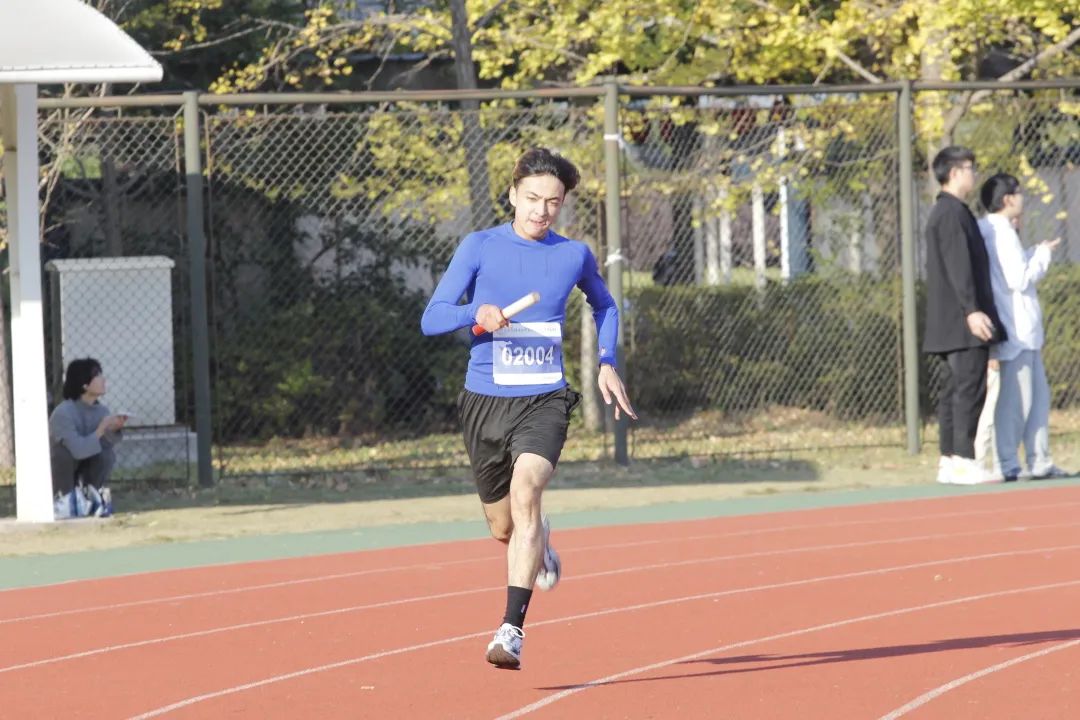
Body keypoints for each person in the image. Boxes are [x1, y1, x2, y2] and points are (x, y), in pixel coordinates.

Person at [421, 147, 637, 670]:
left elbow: (605, 305)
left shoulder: (573, 255)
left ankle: (510, 631)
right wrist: (477, 313)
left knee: (528, 491)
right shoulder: (479, 246)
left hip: (544, 399)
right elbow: (432, 318)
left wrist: (607, 361)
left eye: (553, 202)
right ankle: (540, 545)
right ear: (513, 194)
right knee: (505, 528)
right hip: (485, 401)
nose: (542, 210)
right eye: (533, 198)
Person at [977, 173, 1069, 481]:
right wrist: (1042, 256)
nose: (1022, 198)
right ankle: (1006, 462)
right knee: (1016, 401)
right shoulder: (1000, 232)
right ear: (1007, 199)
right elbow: (1018, 279)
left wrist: (1034, 252)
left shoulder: (998, 231)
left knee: (1038, 399)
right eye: (1019, 193)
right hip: (1015, 329)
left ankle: (1039, 460)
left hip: (1025, 331)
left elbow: (1011, 269)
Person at [923, 146, 1004, 485]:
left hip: (953, 321)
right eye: (970, 168)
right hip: (961, 322)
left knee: (956, 389)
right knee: (969, 389)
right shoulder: (951, 213)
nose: (975, 174)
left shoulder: (949, 211)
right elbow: (959, 267)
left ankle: (949, 460)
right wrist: (972, 311)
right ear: (955, 173)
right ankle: (963, 459)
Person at [49, 358, 126, 518]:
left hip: (87, 462)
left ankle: (92, 496)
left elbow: (104, 446)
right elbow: (78, 450)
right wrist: (100, 429)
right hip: (64, 465)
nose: (103, 379)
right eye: (97, 375)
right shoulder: (64, 413)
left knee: (106, 454)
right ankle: (63, 498)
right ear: (84, 384)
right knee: (63, 454)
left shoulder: (102, 411)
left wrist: (113, 429)